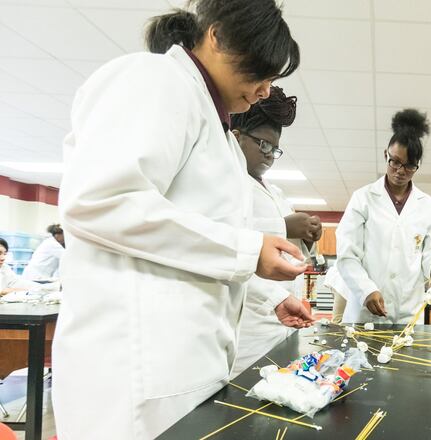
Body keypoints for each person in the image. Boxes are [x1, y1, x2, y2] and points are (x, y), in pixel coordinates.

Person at [53, 2, 310, 438]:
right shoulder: (155, 80)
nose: (266, 90)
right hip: (135, 373)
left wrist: (267, 296)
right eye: (261, 74)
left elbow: (196, 235)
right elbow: (100, 201)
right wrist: (249, 251)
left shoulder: (219, 133)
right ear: (216, 36)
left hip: (184, 365)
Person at [229, 86, 321, 377]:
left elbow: (288, 253)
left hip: (281, 319)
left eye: (275, 149)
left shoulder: (277, 193)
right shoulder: (229, 187)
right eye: (263, 145)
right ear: (236, 137)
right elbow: (232, 251)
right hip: (249, 326)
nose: (269, 155)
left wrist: (307, 237)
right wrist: (285, 225)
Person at [336, 109, 431, 324]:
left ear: (418, 165)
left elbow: (430, 251)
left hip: (409, 311)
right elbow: (347, 255)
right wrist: (366, 289)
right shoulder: (363, 198)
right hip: (366, 311)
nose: (400, 171)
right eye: (394, 161)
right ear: (385, 154)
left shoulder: (428, 206)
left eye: (409, 166)